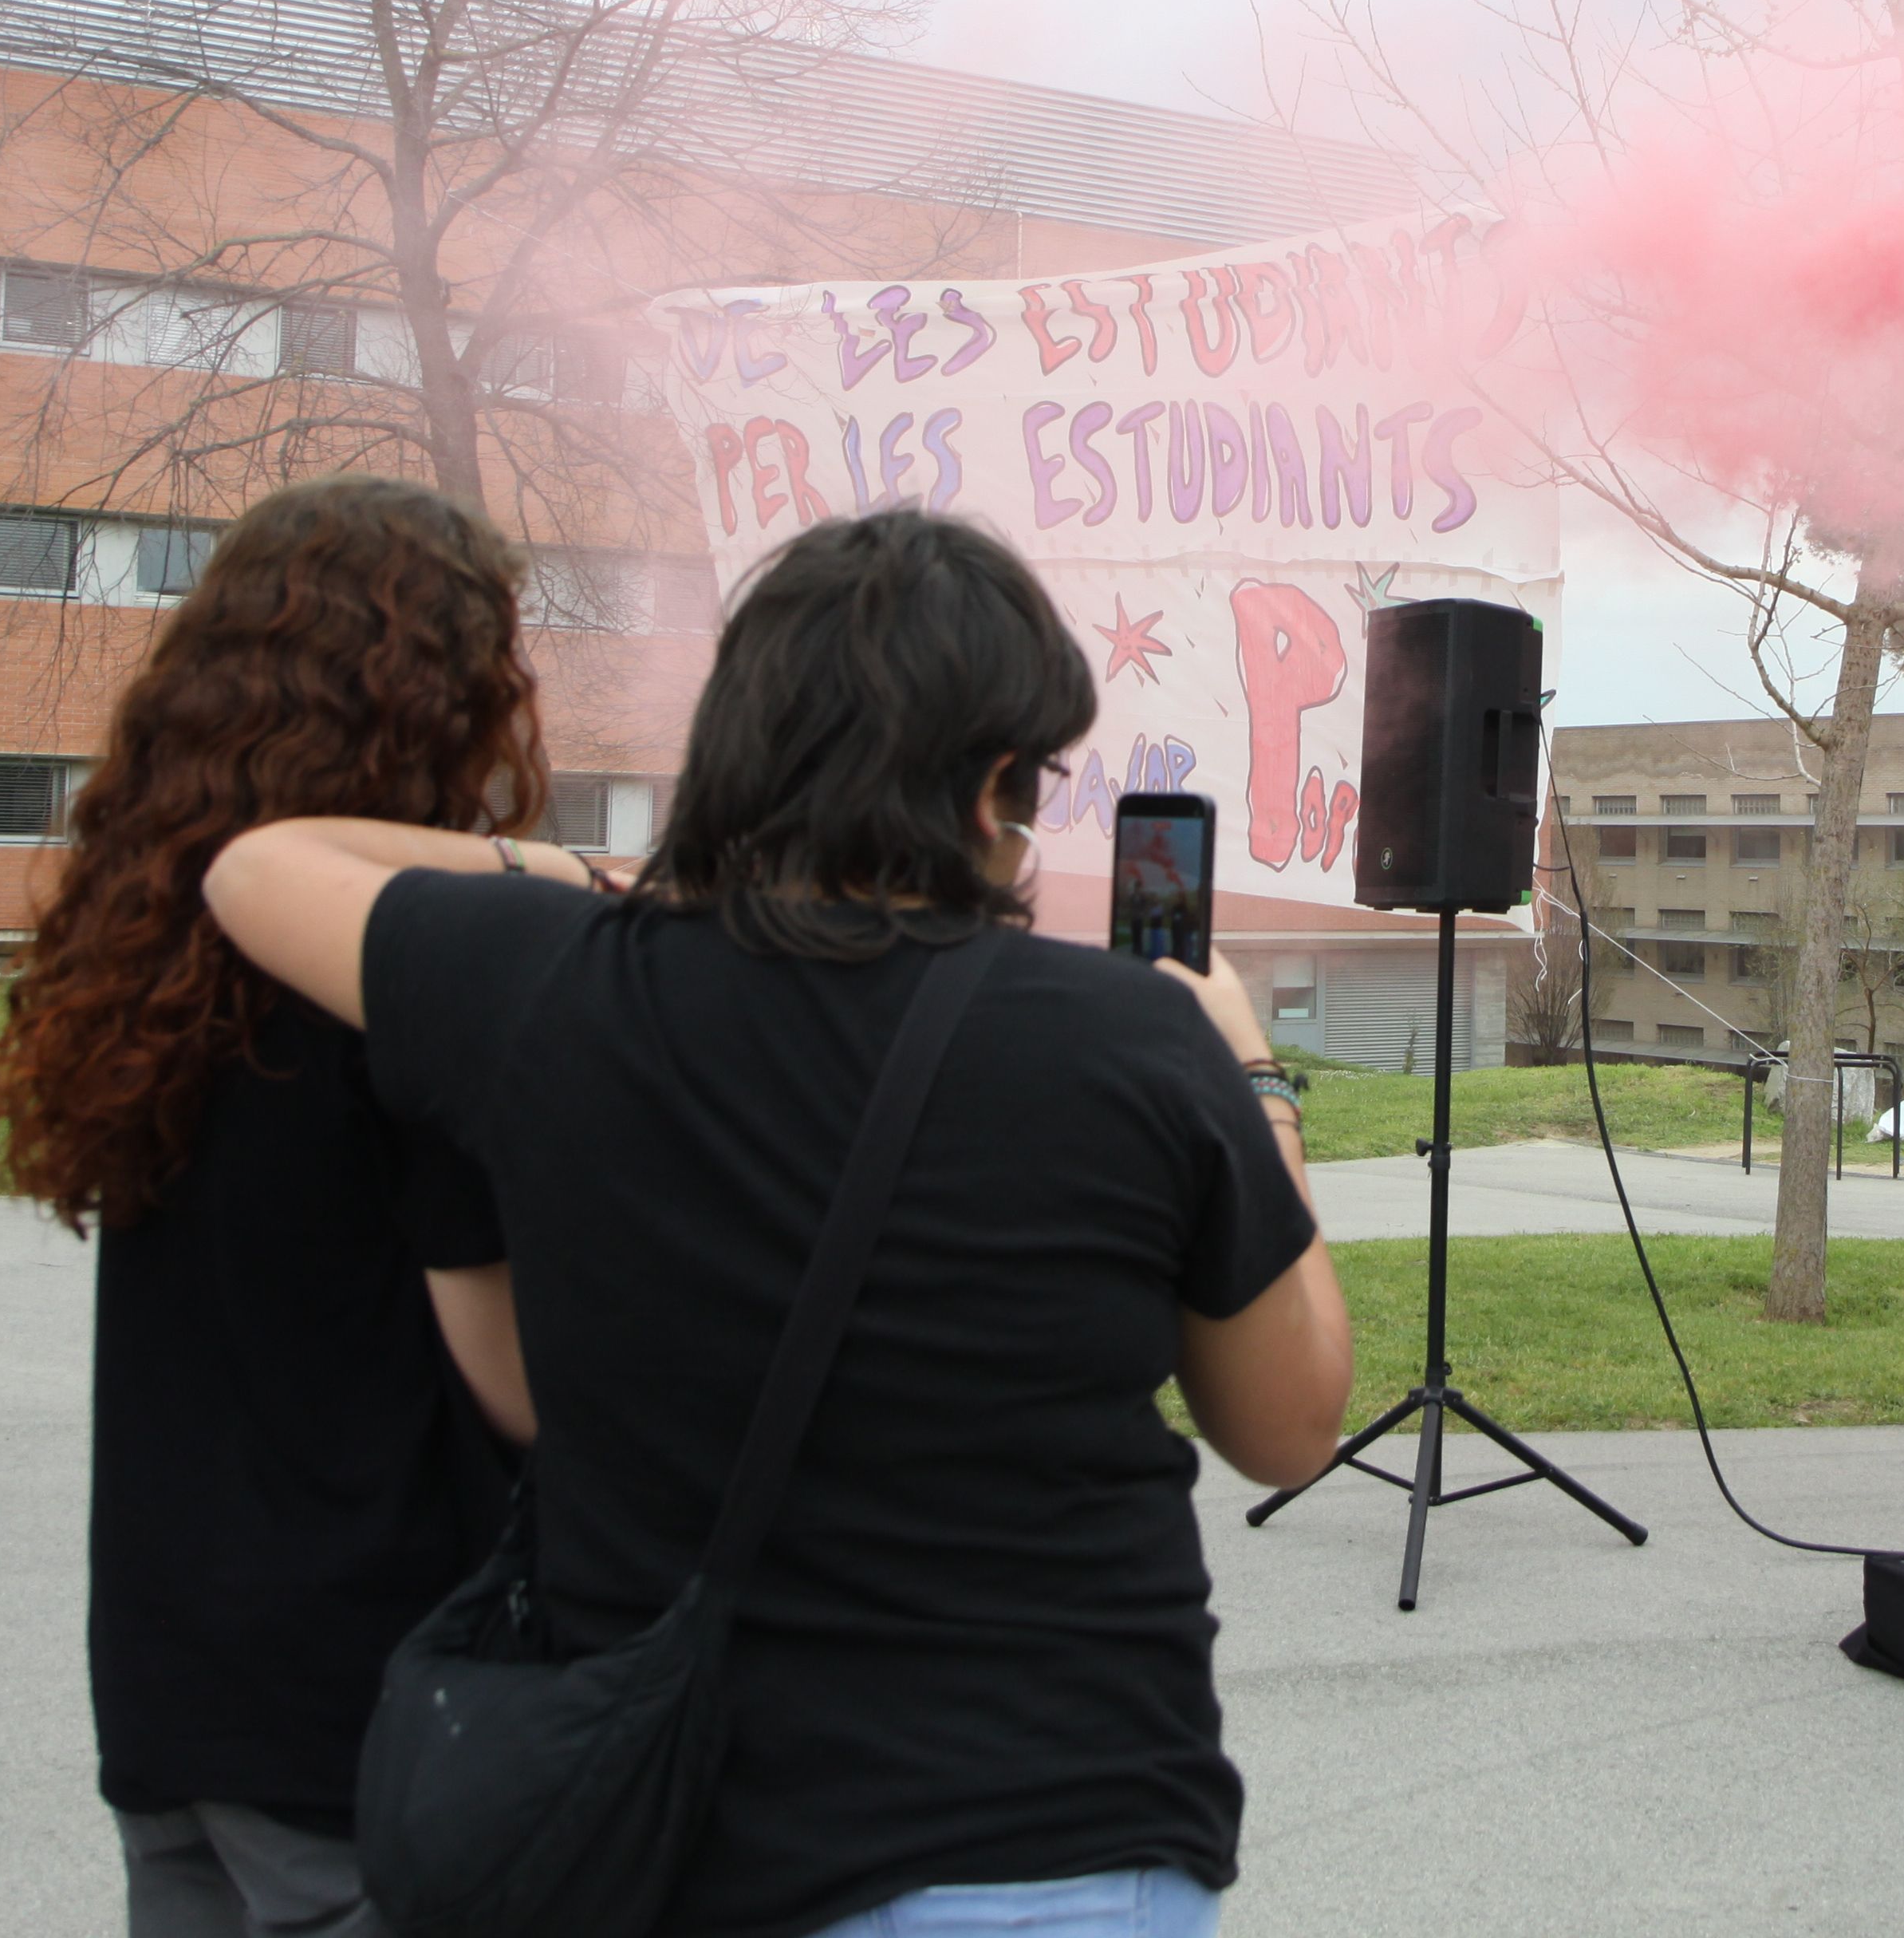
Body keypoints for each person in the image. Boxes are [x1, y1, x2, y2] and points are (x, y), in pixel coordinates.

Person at [203, 505, 1352, 1938]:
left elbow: (259, 864)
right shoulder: (1130, 1038)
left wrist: (612, 888)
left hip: (684, 1850)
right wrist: (1248, 1075)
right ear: (992, 781)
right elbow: (1291, 1423)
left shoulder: (554, 988)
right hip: (1056, 1826)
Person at [0, 478, 549, 1935]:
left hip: (172, 1663)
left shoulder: (146, 934)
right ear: (433, 690)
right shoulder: (400, 978)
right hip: (365, 1690)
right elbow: (514, 1383)